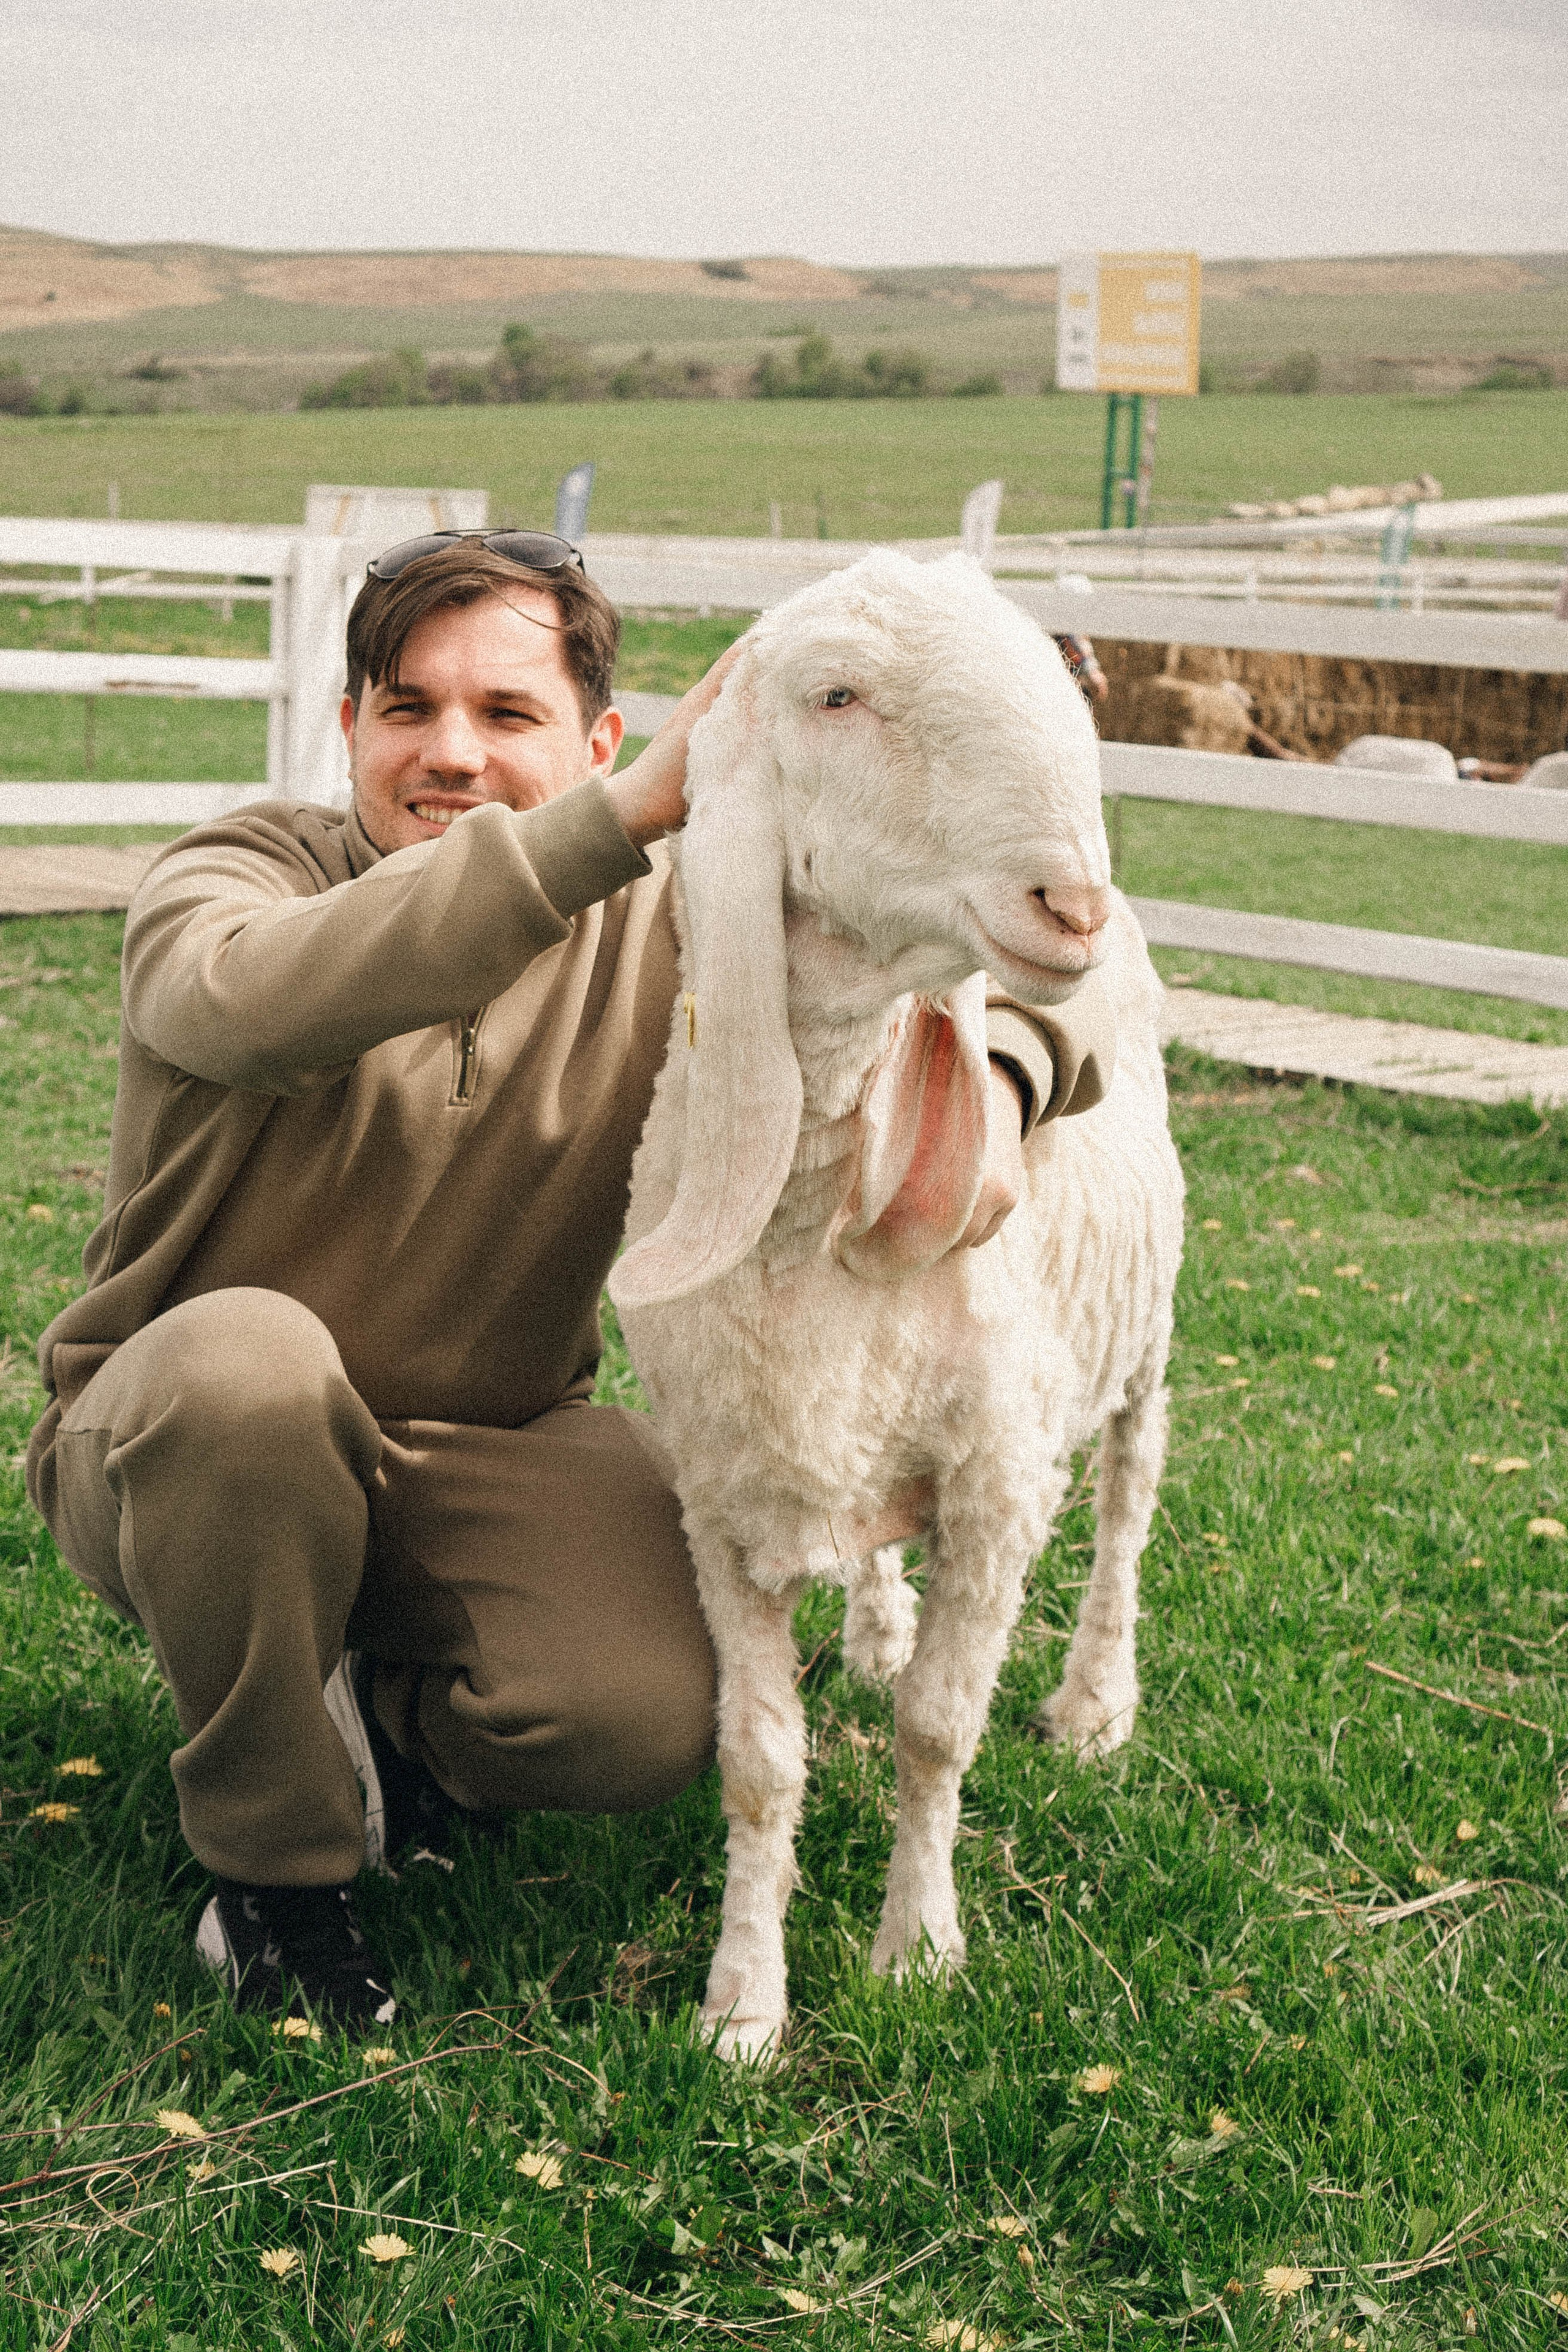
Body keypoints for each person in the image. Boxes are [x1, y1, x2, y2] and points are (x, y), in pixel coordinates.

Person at [25, 530, 1114, 2026]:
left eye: (508, 714)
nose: (450, 752)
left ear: (599, 737)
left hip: (492, 1443)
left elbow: (951, 942)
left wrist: (995, 1059)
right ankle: (278, 1879)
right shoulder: (234, 879)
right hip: (182, 1447)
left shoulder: (679, 919)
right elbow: (241, 1005)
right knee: (246, 1374)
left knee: (646, 1713)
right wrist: (612, 824)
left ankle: (382, 1709)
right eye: (405, 708)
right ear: (347, 727)